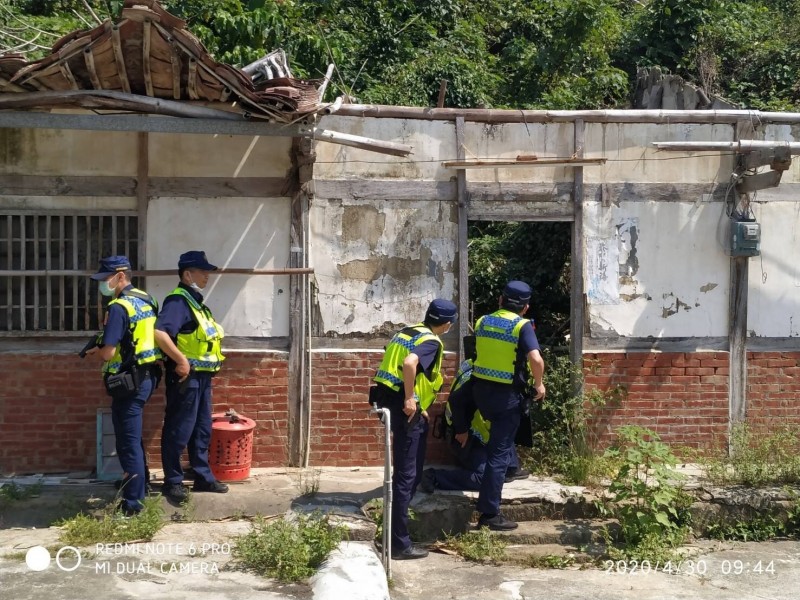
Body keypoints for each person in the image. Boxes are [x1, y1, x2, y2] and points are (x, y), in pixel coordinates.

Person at [371, 299, 457, 560]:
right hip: (403, 408)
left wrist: (417, 403)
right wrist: (411, 399)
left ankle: (394, 532)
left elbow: (400, 371)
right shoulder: (432, 341)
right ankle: (399, 543)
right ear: (446, 324)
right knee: (406, 476)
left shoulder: (406, 331)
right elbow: (410, 365)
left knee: (410, 473)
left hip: (389, 402)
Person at [86, 255, 162, 516]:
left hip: (128, 382)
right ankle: (140, 485)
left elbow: (108, 353)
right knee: (133, 438)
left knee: (128, 442)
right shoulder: (146, 298)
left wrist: (94, 354)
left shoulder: (118, 307)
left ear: (120, 276)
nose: (103, 284)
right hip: (147, 376)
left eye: (105, 278)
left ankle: (133, 506)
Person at [154, 251, 228, 501]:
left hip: (203, 378)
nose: (207, 275)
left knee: (201, 429)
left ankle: (202, 477)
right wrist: (181, 361)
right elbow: (160, 334)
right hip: (187, 378)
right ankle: (172, 481)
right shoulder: (177, 302)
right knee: (179, 429)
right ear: (188, 274)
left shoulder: (197, 303)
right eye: (202, 271)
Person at [472, 281, 545, 531]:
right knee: (498, 454)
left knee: (501, 444)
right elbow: (535, 358)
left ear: (500, 301)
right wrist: (539, 384)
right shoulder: (522, 326)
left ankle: (512, 468)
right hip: (506, 396)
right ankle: (489, 514)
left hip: (481, 392)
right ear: (525, 307)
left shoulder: (482, 320)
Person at [421, 359, 529, 493]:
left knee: (507, 422)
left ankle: (511, 468)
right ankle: (433, 476)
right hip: (466, 438)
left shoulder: (475, 364)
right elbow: (456, 401)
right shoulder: (483, 377)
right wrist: (462, 430)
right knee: (484, 478)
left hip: (482, 434)